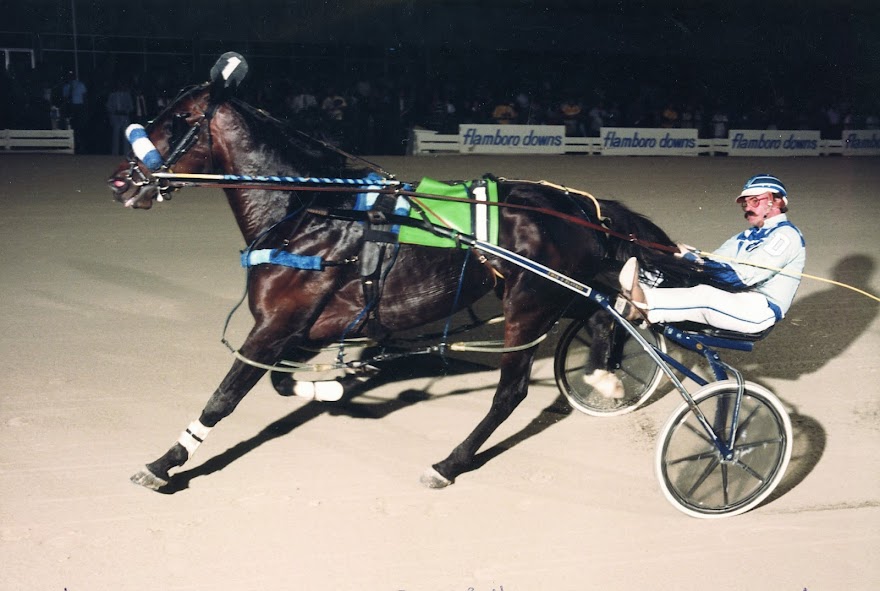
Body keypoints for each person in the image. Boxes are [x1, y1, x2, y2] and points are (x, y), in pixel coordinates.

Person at [618, 174, 806, 335]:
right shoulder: (746, 236)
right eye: (746, 204)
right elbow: (714, 264)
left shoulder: (786, 236)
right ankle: (635, 290)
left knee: (704, 295)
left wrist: (694, 261)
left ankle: (640, 306)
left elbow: (740, 279)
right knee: (675, 274)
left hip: (759, 309)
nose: (748, 208)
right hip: (736, 297)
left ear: (778, 201)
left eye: (755, 201)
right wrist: (685, 258)